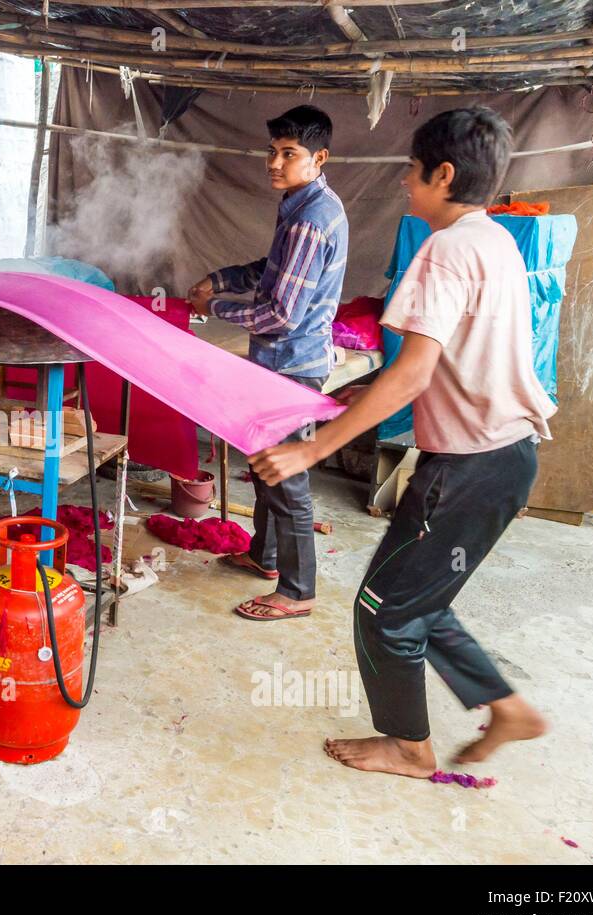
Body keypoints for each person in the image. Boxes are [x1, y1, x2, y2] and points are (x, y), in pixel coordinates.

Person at [249, 107, 554, 777]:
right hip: (506, 458)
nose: (404, 185)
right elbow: (436, 357)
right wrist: (366, 388)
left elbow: (417, 370)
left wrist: (310, 448)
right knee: (417, 598)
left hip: (468, 467)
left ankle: (410, 747)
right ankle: (506, 707)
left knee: (381, 610)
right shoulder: (494, 239)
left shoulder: (443, 250)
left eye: (411, 172)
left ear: (443, 174)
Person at [187, 105, 347, 622]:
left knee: (286, 477)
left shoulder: (311, 221)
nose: (274, 163)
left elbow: (279, 313)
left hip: (290, 363)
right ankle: (265, 556)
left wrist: (212, 308)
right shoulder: (301, 204)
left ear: (318, 157)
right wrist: (224, 277)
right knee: (266, 469)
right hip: (283, 361)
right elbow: (271, 268)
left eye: (288, 154)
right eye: (272, 152)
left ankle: (298, 591)